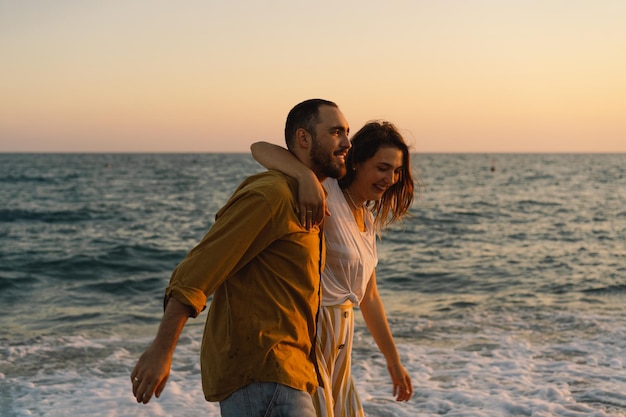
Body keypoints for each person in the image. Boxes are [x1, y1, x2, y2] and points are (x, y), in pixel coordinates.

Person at [130, 98, 351, 417]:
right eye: (336, 132)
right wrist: (161, 351)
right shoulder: (271, 195)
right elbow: (196, 272)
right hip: (263, 379)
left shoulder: (307, 195)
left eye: (347, 132)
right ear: (304, 138)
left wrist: (304, 176)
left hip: (287, 375)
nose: (346, 142)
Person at [251, 120, 416, 417]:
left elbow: (370, 297)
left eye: (396, 171)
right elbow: (259, 149)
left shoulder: (366, 218)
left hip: (341, 350)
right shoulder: (326, 191)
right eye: (382, 168)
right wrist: (304, 175)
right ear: (356, 162)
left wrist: (394, 362)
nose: (390, 178)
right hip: (312, 336)